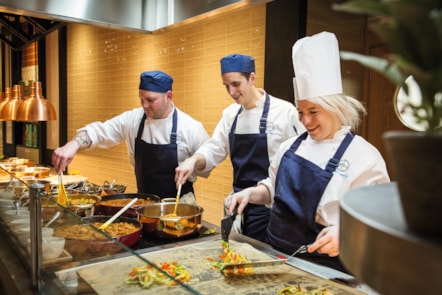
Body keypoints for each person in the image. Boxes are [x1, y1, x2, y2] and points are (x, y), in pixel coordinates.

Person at [226, 32, 390, 272]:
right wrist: (251, 193)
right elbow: (272, 188)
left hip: (325, 269)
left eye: (313, 111)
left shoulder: (364, 158)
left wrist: (346, 233)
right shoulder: (290, 146)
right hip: (275, 258)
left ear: (336, 106)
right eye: (301, 112)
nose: (306, 121)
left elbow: (379, 222)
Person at [175, 54, 305, 242]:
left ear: (252, 78)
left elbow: (298, 162)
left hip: (274, 208)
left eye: (236, 84)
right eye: (226, 86)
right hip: (241, 204)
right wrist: (193, 160)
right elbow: (215, 148)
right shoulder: (230, 115)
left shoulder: (285, 112)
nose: (231, 91)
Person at [52, 70, 210, 202]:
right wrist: (73, 144)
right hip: (144, 205)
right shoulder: (133, 120)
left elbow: (209, 158)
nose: (144, 105)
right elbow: (99, 131)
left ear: (169, 97)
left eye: (150, 100)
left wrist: (194, 160)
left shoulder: (190, 127)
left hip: (180, 207)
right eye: (141, 99)